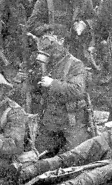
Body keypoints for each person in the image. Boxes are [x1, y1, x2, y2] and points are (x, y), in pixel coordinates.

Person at [28, 25, 91, 156]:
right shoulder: (45, 64)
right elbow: (34, 92)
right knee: (40, 157)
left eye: (51, 43)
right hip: (50, 120)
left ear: (61, 41)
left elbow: (78, 90)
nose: (47, 49)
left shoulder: (75, 64)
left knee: (75, 157)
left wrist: (53, 84)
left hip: (71, 121)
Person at [27, 0, 96, 63]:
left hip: (77, 51)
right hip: (51, 52)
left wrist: (84, 24)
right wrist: (51, 28)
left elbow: (94, 20)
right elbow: (32, 25)